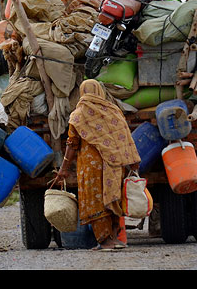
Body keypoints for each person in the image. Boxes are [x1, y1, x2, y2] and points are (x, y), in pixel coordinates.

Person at [57, 80, 141, 251]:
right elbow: (124, 136)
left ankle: (104, 241)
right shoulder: (113, 111)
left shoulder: (78, 115)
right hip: (114, 165)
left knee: (96, 201)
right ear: (100, 91)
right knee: (113, 198)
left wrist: (63, 169)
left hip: (91, 168)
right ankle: (114, 238)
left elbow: (72, 144)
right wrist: (132, 162)